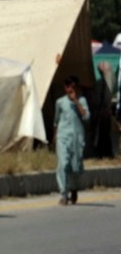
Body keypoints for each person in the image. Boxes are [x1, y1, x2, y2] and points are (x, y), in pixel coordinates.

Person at [53, 75, 90, 205]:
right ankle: (64, 193)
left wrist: (76, 102)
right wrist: (55, 137)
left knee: (75, 166)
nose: (70, 89)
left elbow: (86, 117)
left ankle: (74, 189)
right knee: (63, 164)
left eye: (73, 87)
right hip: (63, 137)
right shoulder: (60, 102)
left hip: (77, 137)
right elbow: (56, 121)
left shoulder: (82, 100)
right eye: (68, 86)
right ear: (65, 88)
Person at [88, 63, 115, 159]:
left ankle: (105, 153)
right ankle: (103, 153)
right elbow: (96, 100)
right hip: (101, 114)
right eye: (107, 67)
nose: (110, 69)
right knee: (102, 134)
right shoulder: (100, 84)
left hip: (104, 113)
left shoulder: (107, 83)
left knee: (105, 134)